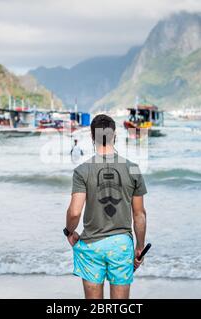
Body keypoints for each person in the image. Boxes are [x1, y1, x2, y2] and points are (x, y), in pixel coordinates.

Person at [64, 114, 148, 299]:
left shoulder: (82, 170)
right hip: (122, 246)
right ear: (114, 135)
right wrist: (139, 247)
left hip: (91, 246)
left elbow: (75, 212)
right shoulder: (132, 168)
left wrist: (69, 232)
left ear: (93, 137)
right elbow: (139, 214)